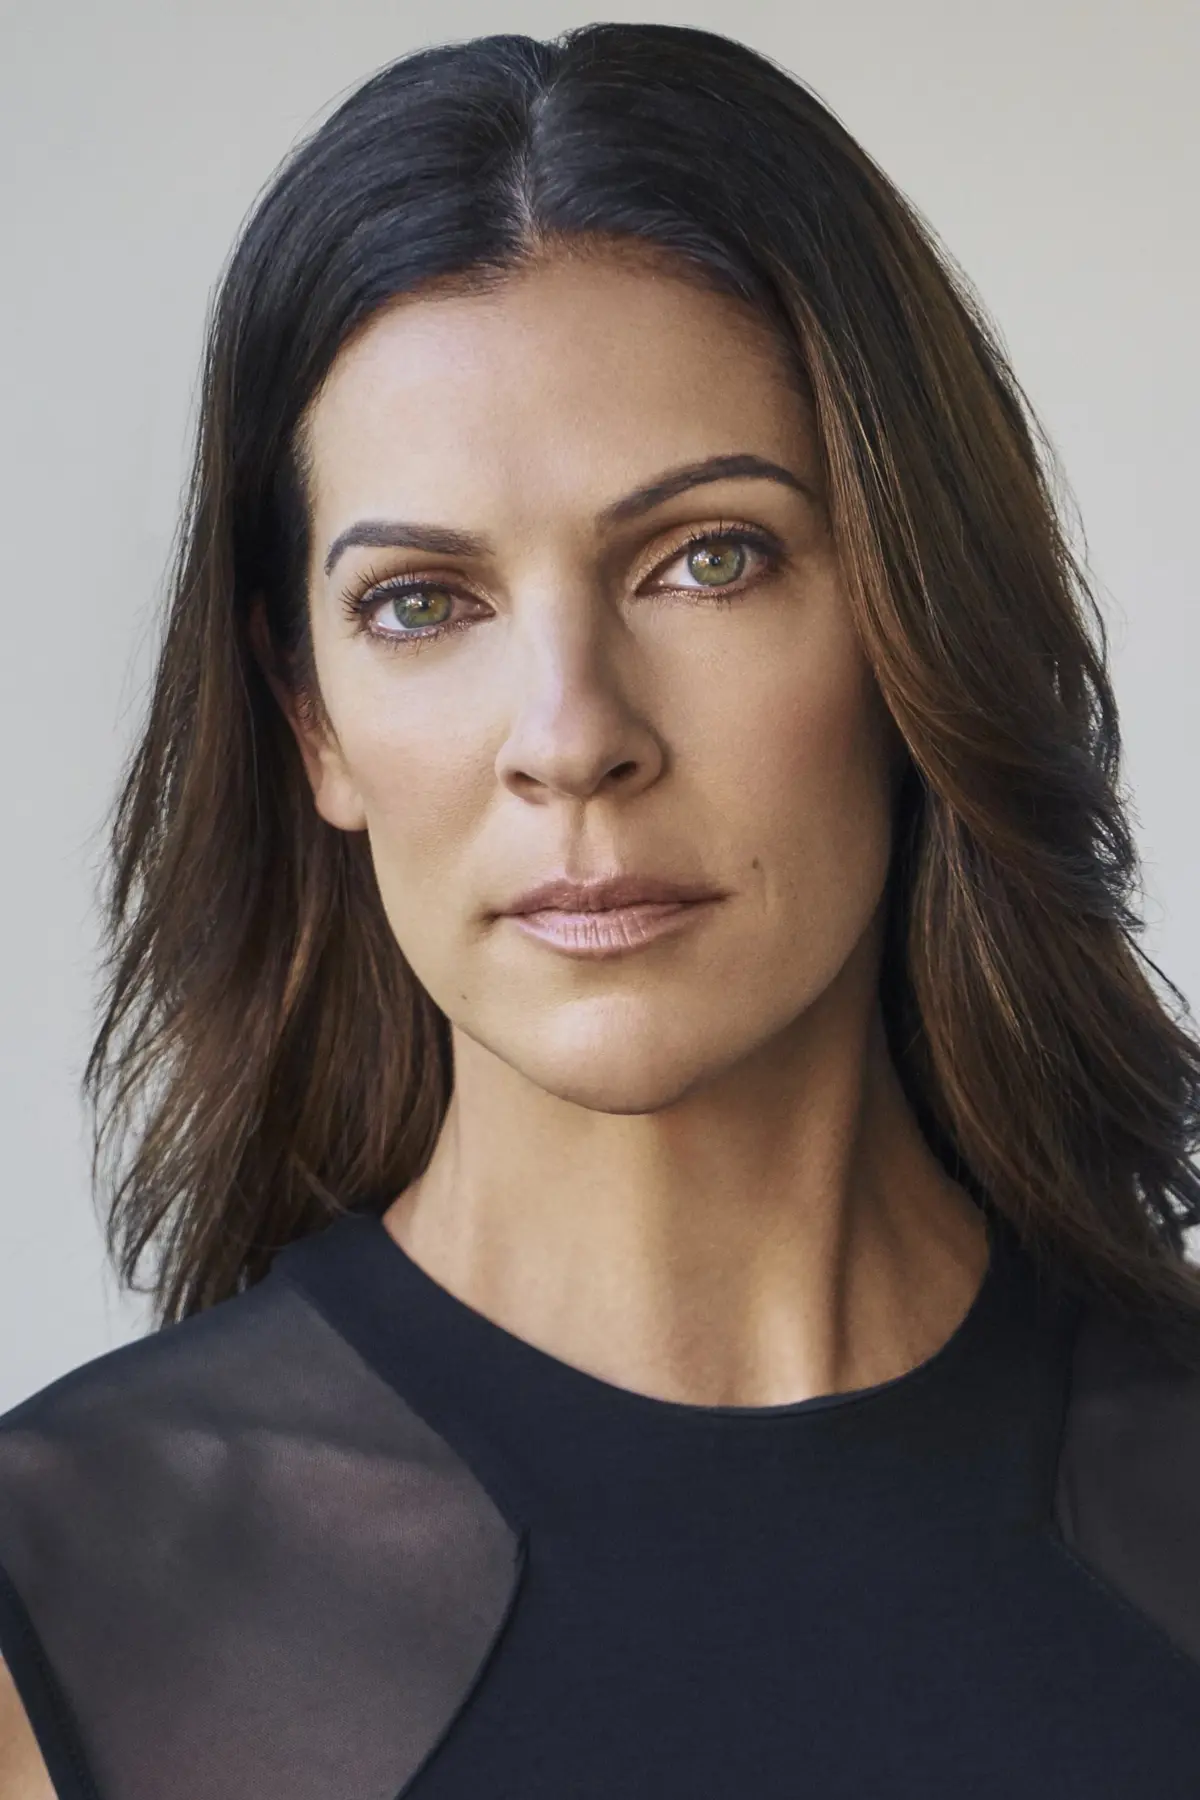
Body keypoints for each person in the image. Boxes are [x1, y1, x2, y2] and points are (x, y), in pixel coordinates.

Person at [2, 21, 1200, 1799]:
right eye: (423, 602)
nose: (573, 739)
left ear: (912, 621)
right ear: (310, 718)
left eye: (708, 559)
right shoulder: (70, 1605)